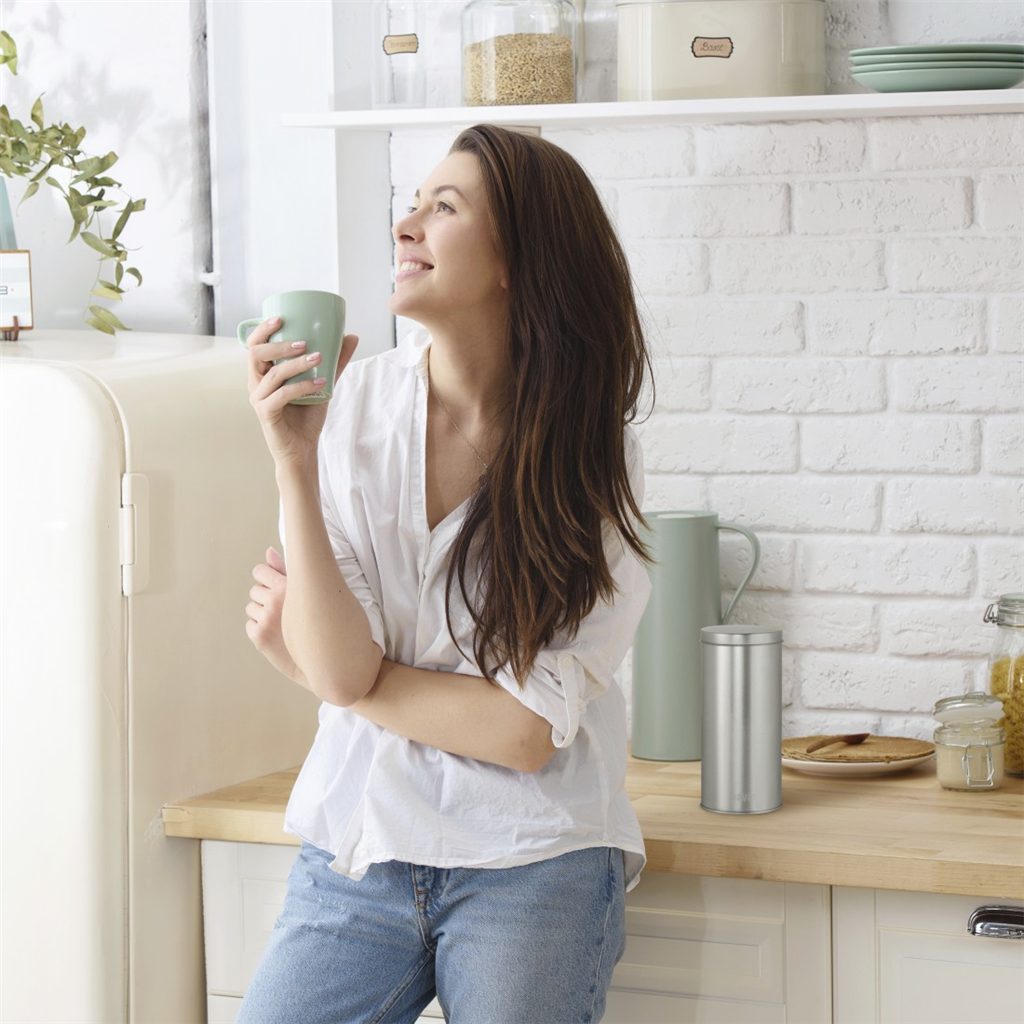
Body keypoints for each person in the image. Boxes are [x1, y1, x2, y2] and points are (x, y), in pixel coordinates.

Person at [239, 124, 654, 1024]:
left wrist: (327, 674)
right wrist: (293, 461)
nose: (406, 224)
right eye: (412, 203)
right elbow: (345, 669)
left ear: (516, 261)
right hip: (361, 845)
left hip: (532, 858)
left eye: (445, 207)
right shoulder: (348, 411)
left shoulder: (591, 459)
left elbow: (523, 735)